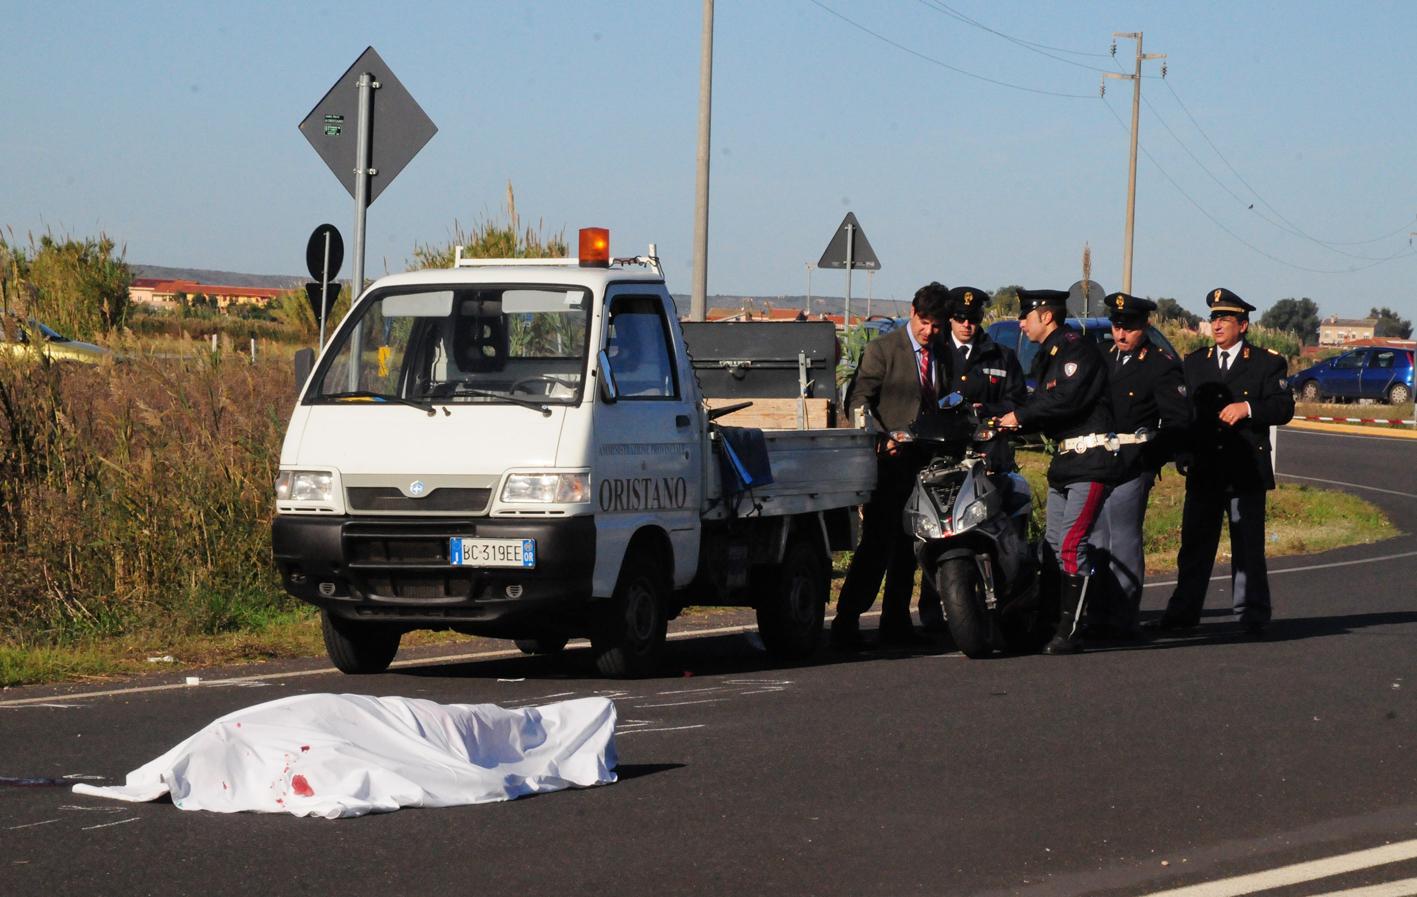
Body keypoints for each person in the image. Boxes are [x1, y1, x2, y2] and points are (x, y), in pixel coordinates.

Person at [1149, 288, 1294, 638]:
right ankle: (1184, 612)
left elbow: (1283, 407)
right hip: (1205, 469)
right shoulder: (1196, 363)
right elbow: (1183, 416)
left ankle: (1252, 614)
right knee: (1195, 546)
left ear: (1242, 325)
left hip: (1245, 472)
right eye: (1214, 318)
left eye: (1225, 319)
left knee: (1247, 547)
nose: (1217, 325)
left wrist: (1248, 409)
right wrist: (1182, 454)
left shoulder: (1265, 362)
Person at [997, 289, 1124, 655]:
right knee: (1052, 546)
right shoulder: (1048, 354)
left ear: (1046, 317)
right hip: (1066, 462)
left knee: (1071, 543)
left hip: (1091, 458)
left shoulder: (1075, 350)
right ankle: (1048, 622)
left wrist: (1019, 416)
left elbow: (1066, 398)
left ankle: (1071, 629)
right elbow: (1039, 402)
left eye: (1027, 316)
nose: (1022, 323)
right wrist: (1006, 418)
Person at [830, 282, 953, 649]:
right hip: (890, 465)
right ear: (913, 313)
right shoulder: (883, 350)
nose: (930, 332)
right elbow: (859, 401)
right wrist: (881, 439)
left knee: (908, 547)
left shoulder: (942, 353)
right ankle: (847, 620)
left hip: (926, 465)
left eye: (937, 325)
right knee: (876, 546)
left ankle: (896, 622)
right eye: (925, 323)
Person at [916, 285, 1028, 633]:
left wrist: (986, 412)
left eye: (973, 319)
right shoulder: (936, 352)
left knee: (1002, 527)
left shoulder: (1000, 355)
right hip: (942, 460)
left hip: (990, 457)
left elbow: (1017, 402)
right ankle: (934, 609)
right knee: (937, 533)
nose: (966, 325)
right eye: (960, 319)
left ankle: (1012, 601)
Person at [1086, 293, 1190, 640]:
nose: (1121, 334)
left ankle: (1124, 617)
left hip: (1135, 462)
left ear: (1144, 326)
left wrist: (1151, 459)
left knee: (1124, 539)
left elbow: (1176, 421)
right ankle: (1098, 614)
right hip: (1099, 460)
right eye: (1116, 326)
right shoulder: (1101, 357)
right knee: (1098, 538)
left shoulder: (1160, 365)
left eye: (1128, 327)